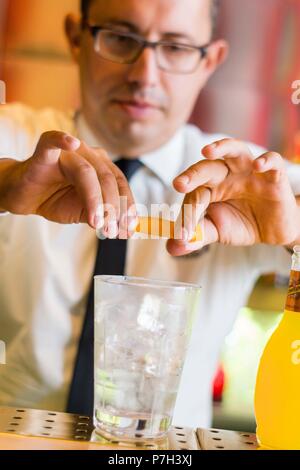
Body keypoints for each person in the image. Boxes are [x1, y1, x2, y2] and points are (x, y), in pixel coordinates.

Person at [0, 0, 299, 428]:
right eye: (121, 38)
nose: (144, 75)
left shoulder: (247, 177)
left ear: (210, 60)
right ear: (75, 38)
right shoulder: (14, 141)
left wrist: (293, 229)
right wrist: (5, 186)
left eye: (175, 48)